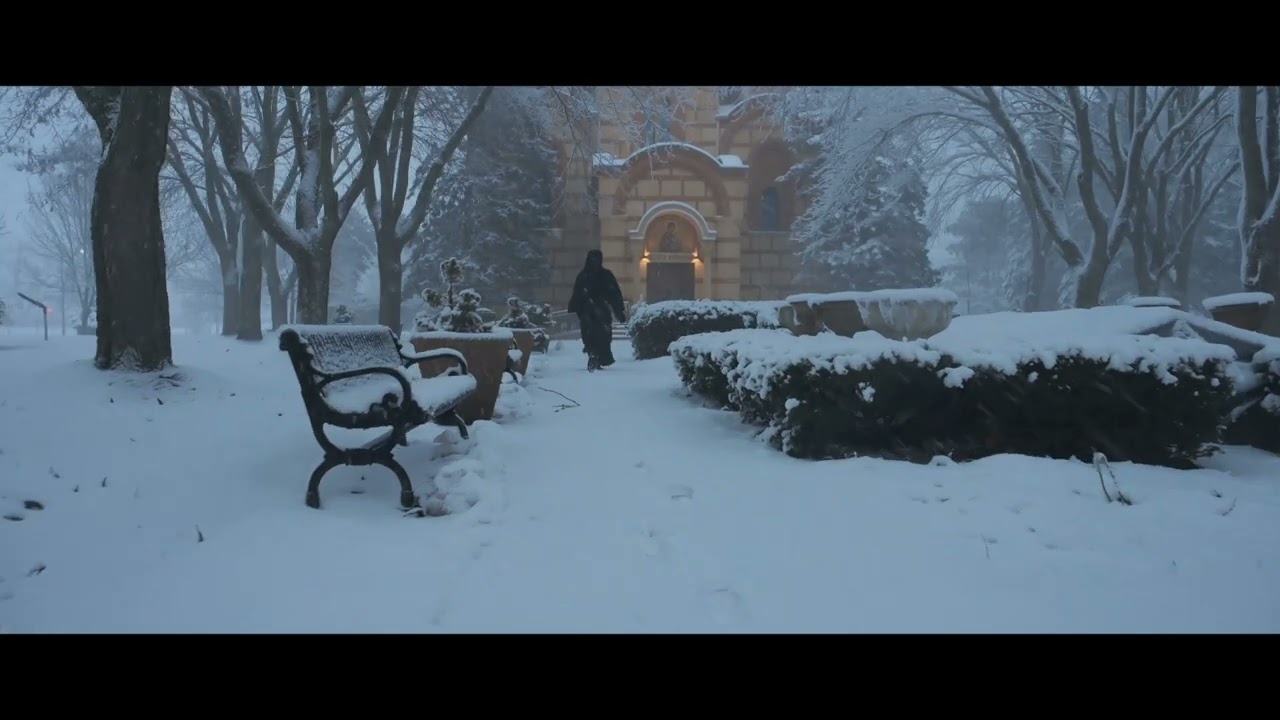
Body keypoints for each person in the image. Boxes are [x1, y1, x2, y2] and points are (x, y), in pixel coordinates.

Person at [567, 249, 627, 371]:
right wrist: (618, 310)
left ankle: (593, 353)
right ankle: (597, 356)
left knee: (591, 335)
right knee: (602, 335)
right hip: (599, 312)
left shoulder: (583, 276)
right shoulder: (605, 275)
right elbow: (614, 294)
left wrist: (575, 307)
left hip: (589, 312)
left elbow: (577, 294)